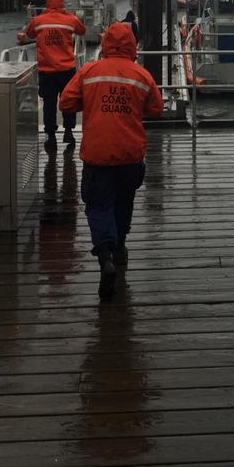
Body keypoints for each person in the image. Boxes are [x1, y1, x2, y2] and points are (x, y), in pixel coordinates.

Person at [59, 21, 164, 299]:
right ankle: (120, 248)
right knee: (123, 202)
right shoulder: (141, 75)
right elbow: (156, 109)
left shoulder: (89, 71)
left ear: (105, 45)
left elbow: (66, 104)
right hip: (130, 154)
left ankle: (105, 256)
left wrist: (92, 102)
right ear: (133, 46)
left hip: (98, 154)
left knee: (98, 205)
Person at [23, 0, 86, 152]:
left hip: (47, 70)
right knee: (69, 101)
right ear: (62, 4)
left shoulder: (38, 21)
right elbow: (82, 30)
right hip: (67, 69)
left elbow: (29, 34)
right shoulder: (70, 20)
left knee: (49, 104)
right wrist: (68, 14)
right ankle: (69, 132)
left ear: (47, 4)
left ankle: (51, 135)